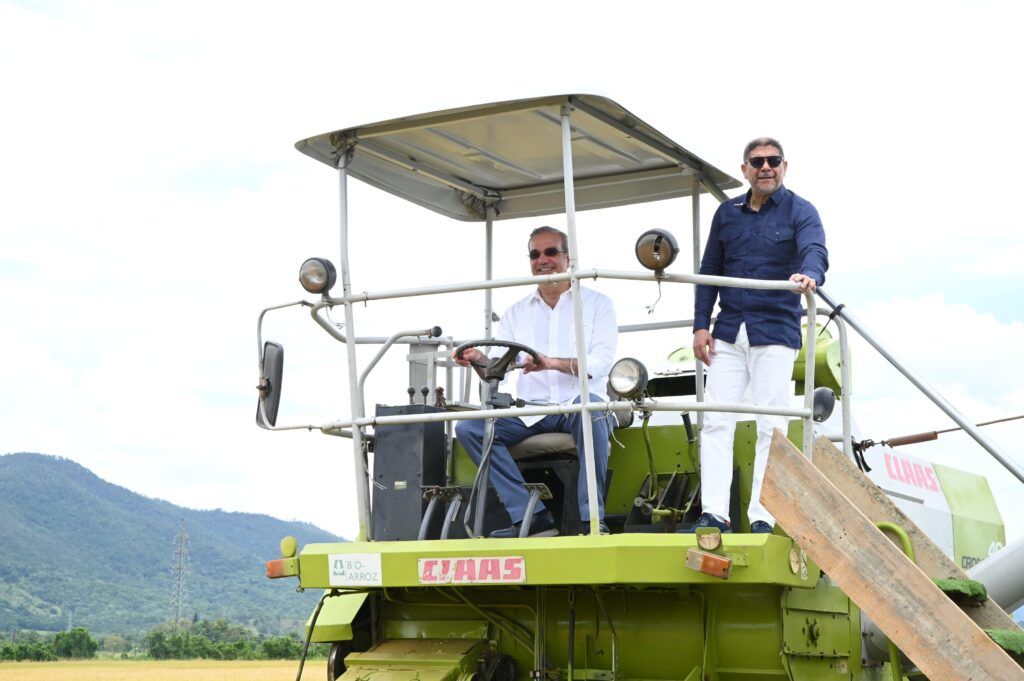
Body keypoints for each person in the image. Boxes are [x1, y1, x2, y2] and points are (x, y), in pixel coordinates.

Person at [690, 137, 828, 534]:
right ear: (744, 169)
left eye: (773, 160)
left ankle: (763, 515)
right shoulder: (726, 214)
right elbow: (709, 270)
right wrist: (700, 324)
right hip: (729, 330)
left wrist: (810, 275)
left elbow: (815, 251)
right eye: (757, 162)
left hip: (775, 330)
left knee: (772, 423)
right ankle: (714, 512)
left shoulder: (801, 210)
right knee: (716, 419)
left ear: (784, 166)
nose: (765, 167)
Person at [454, 226, 618, 538]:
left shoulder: (598, 304)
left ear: (569, 257)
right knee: (469, 429)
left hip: (578, 405)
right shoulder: (515, 313)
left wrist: (550, 363)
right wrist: (476, 359)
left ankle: (592, 521)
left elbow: (599, 365)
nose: (542, 260)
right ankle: (532, 516)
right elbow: (497, 368)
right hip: (531, 411)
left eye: (551, 252)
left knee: (593, 412)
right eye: (534, 254)